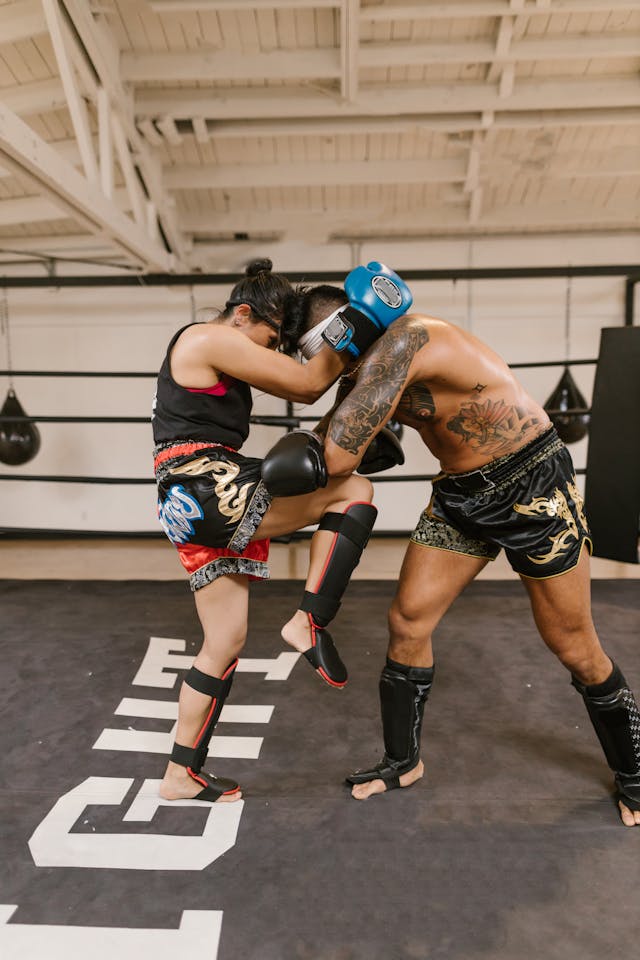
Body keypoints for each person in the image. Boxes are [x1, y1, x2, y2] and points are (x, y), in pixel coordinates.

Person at [292, 282, 640, 827]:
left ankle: (636, 773)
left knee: (573, 644)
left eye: (314, 354)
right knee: (408, 621)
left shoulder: (406, 343)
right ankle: (402, 761)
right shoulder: (366, 367)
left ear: (342, 334)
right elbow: (333, 436)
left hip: (531, 485)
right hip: (461, 495)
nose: (313, 371)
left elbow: (334, 455)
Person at [152, 260, 380, 805]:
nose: (273, 351)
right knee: (355, 490)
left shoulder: (218, 351)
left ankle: (180, 774)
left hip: (187, 499)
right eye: (272, 338)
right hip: (208, 485)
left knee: (223, 643)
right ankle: (308, 620)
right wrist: (363, 321)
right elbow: (305, 385)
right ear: (244, 313)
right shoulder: (207, 336)